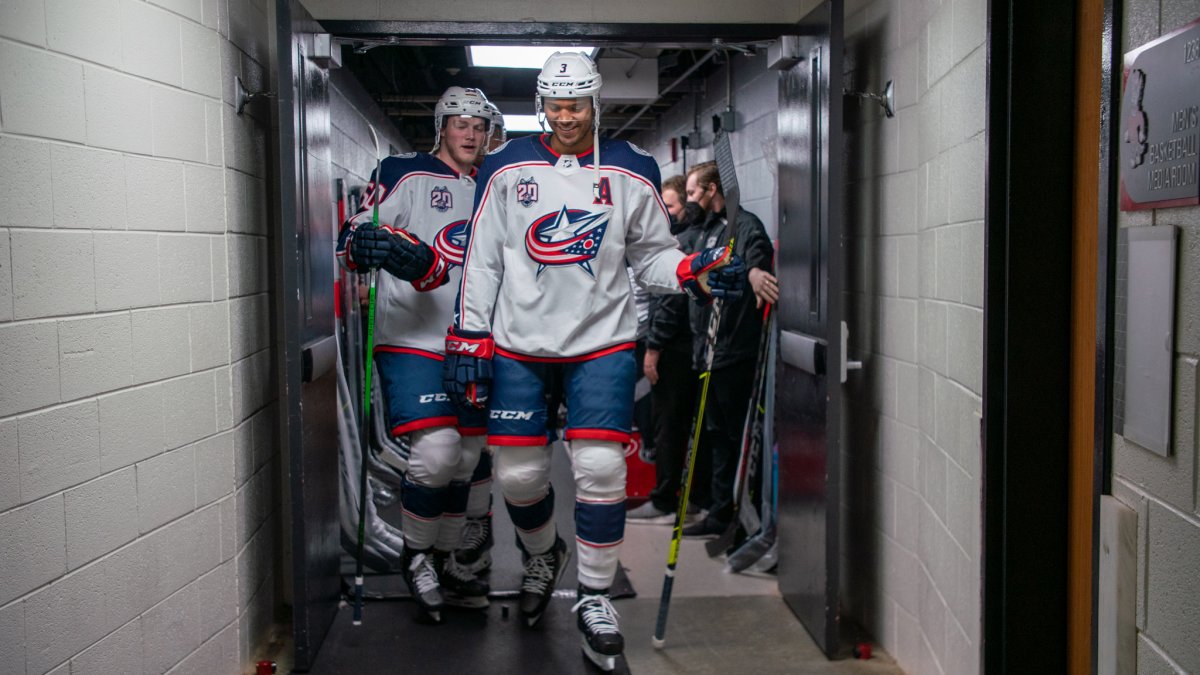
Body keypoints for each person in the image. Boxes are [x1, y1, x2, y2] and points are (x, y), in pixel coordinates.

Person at [441, 51, 744, 671]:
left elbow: (653, 259)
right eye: (554, 104)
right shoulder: (504, 166)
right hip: (520, 343)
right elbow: (485, 259)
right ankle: (545, 551)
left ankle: (596, 597)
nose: (565, 116)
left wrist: (691, 268)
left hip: (602, 341)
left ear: (595, 102)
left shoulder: (632, 168)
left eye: (575, 104)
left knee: (601, 466)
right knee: (519, 478)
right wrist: (469, 334)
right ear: (541, 103)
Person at [337, 86, 496, 623]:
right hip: (410, 336)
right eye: (460, 123)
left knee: (469, 457)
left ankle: (448, 557)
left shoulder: (498, 184)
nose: (470, 133)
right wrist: (364, 245)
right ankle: (418, 556)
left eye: (478, 125)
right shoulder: (404, 172)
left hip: (474, 340)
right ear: (441, 127)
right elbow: (355, 233)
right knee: (437, 453)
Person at [676, 160, 778, 540]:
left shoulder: (744, 225)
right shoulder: (707, 230)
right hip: (707, 352)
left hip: (734, 354)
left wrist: (752, 272)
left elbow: (755, 256)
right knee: (715, 435)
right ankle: (717, 510)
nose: (689, 200)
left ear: (712, 190)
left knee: (733, 437)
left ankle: (733, 515)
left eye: (692, 192)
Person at [626, 174, 704, 523]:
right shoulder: (668, 240)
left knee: (669, 424)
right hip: (665, 342)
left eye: (672, 204)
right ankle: (670, 497)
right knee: (663, 423)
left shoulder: (679, 246)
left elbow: (670, 302)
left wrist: (654, 347)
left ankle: (666, 500)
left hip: (675, 346)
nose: (666, 211)